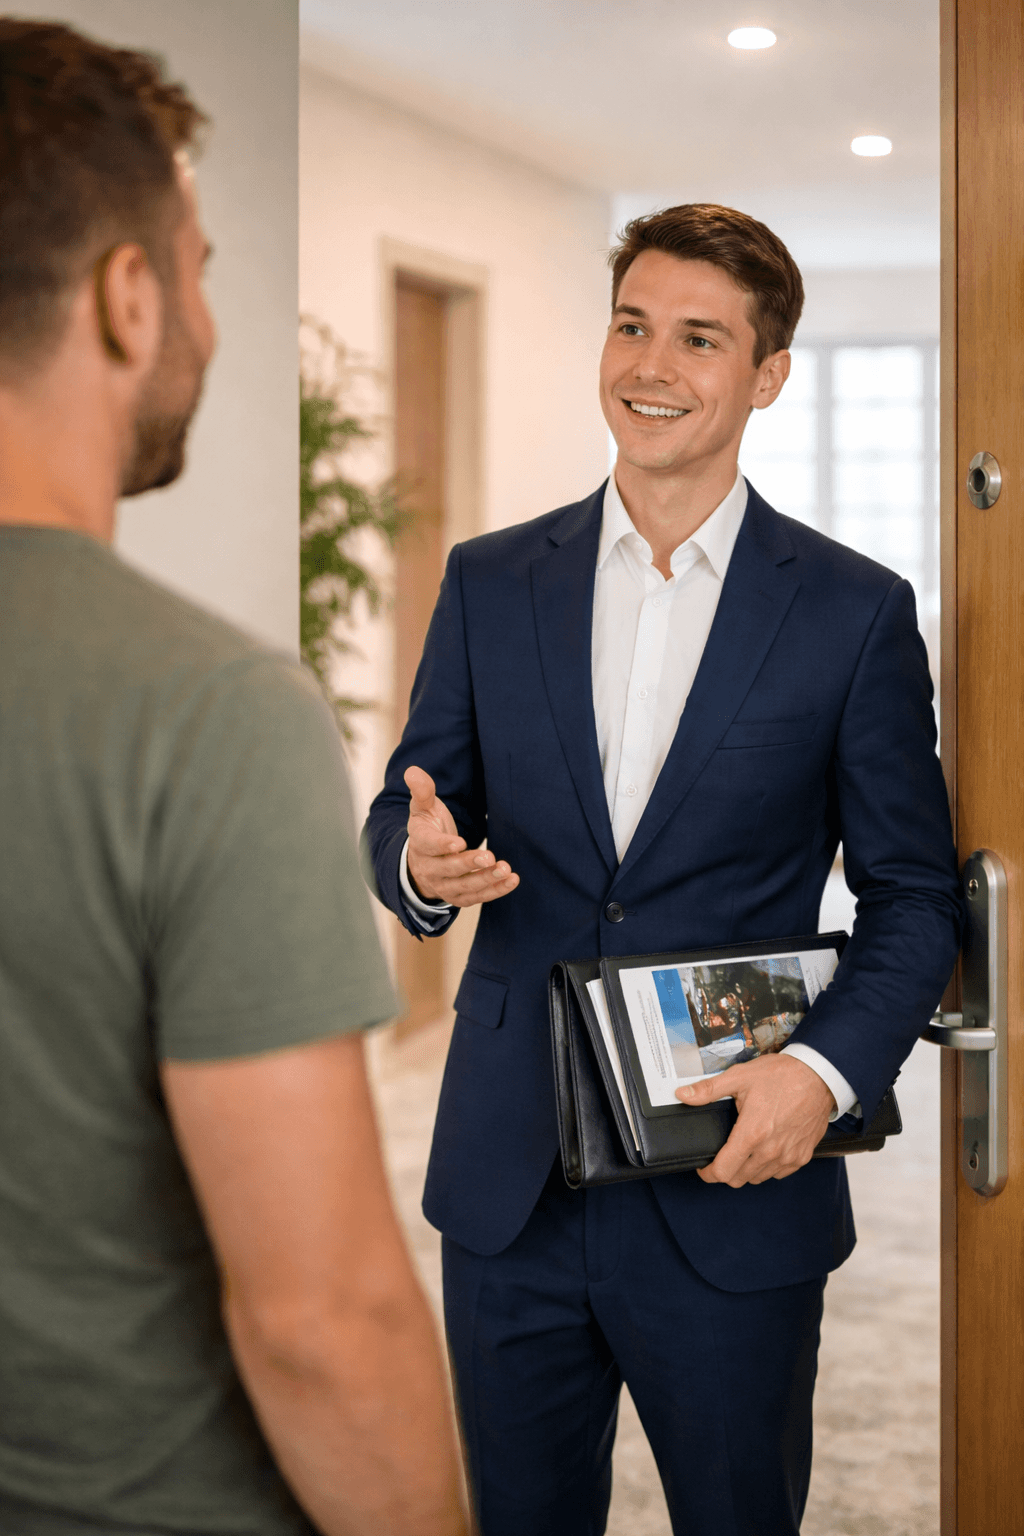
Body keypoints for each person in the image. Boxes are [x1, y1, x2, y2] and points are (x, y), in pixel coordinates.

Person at [363, 201, 963, 1535]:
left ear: (765, 376)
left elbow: (914, 898)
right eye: (633, 325)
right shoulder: (490, 579)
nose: (652, 363)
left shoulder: (854, 613)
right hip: (508, 1180)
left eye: (699, 338)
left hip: (733, 1168)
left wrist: (822, 1077)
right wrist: (414, 864)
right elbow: (412, 804)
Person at [0, 20, 467, 1536]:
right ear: (127, 297)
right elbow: (321, 1321)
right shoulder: (206, 713)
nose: (209, 309)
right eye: (198, 266)